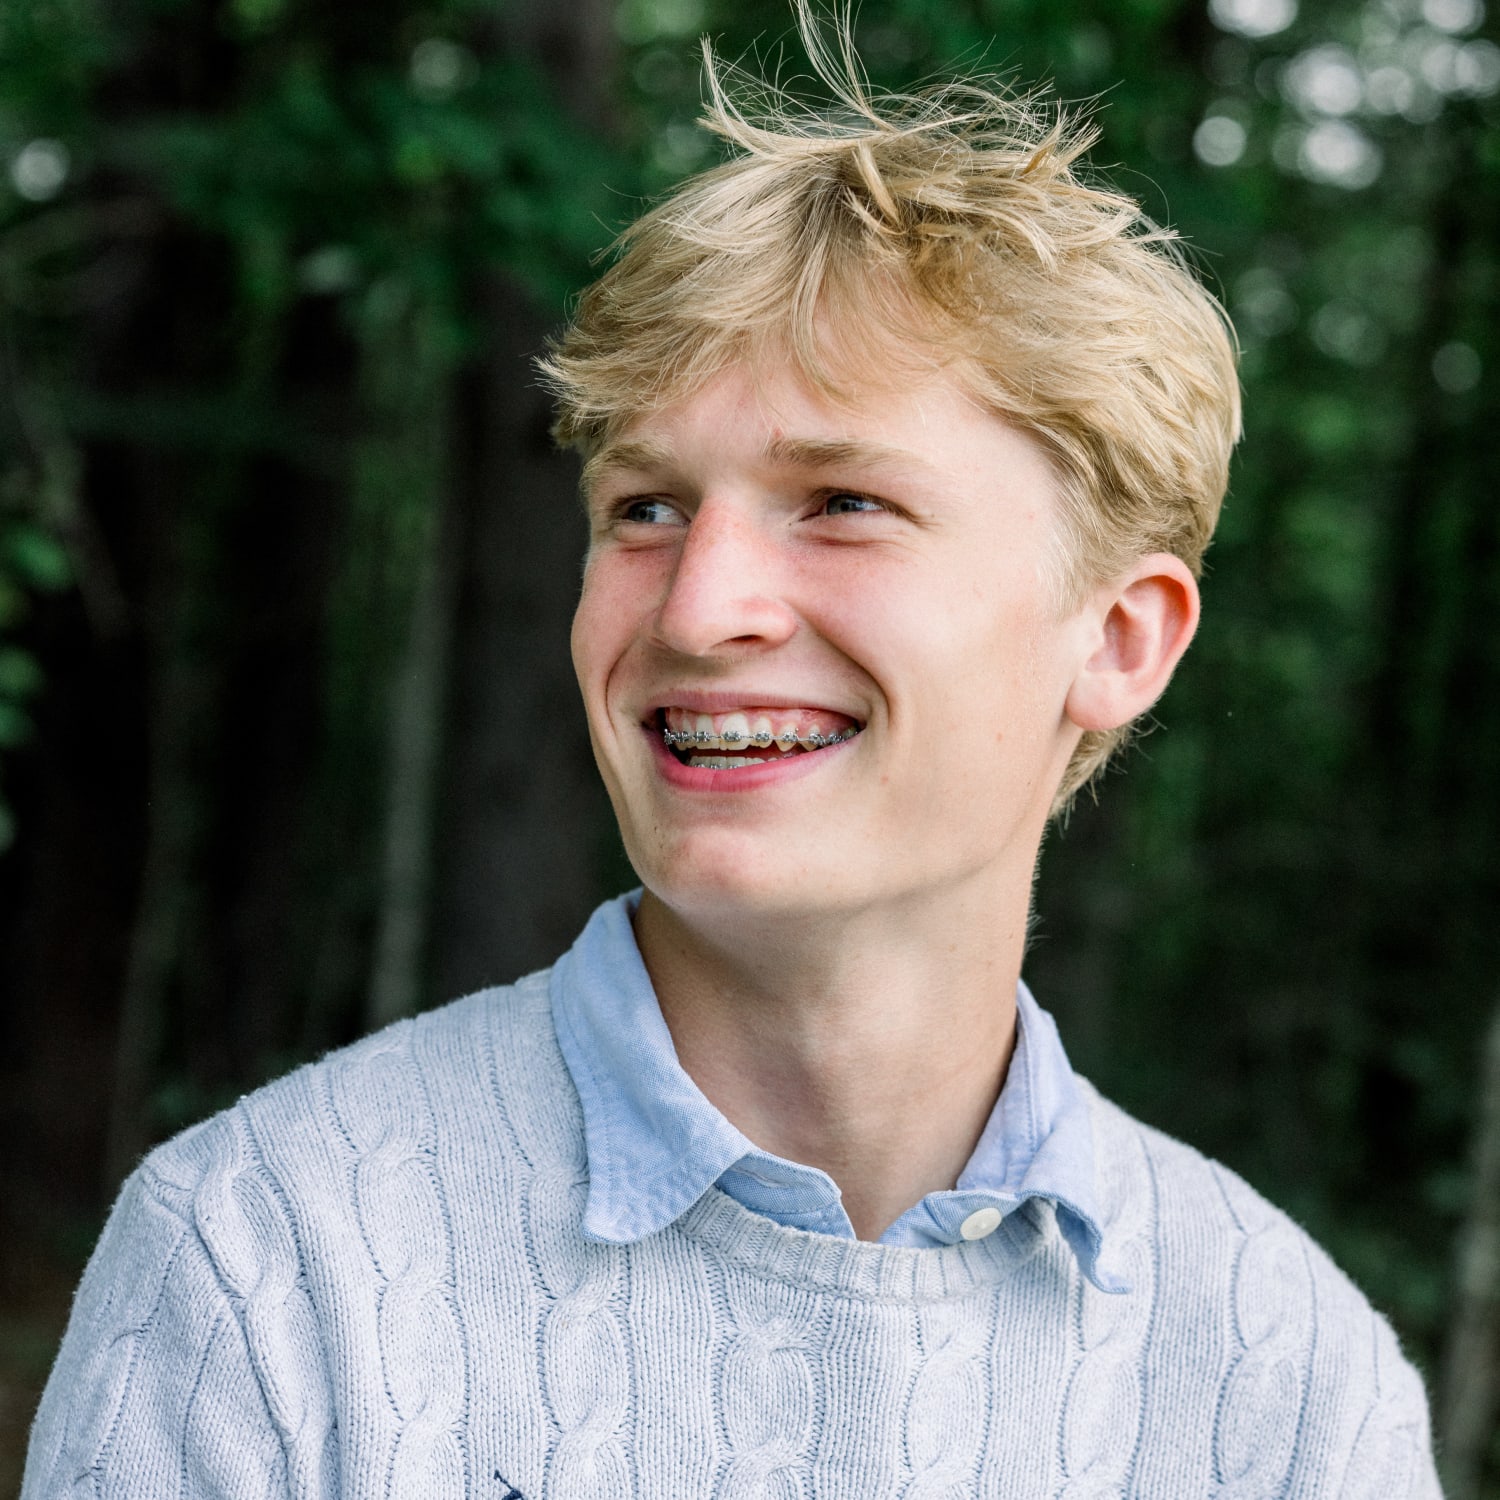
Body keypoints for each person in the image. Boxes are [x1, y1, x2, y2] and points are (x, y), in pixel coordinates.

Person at [24, 10, 1441, 1497]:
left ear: (1121, 640)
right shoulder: (271, 1264)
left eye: (841, 502)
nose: (699, 608)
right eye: (644, 507)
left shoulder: (1288, 1387)